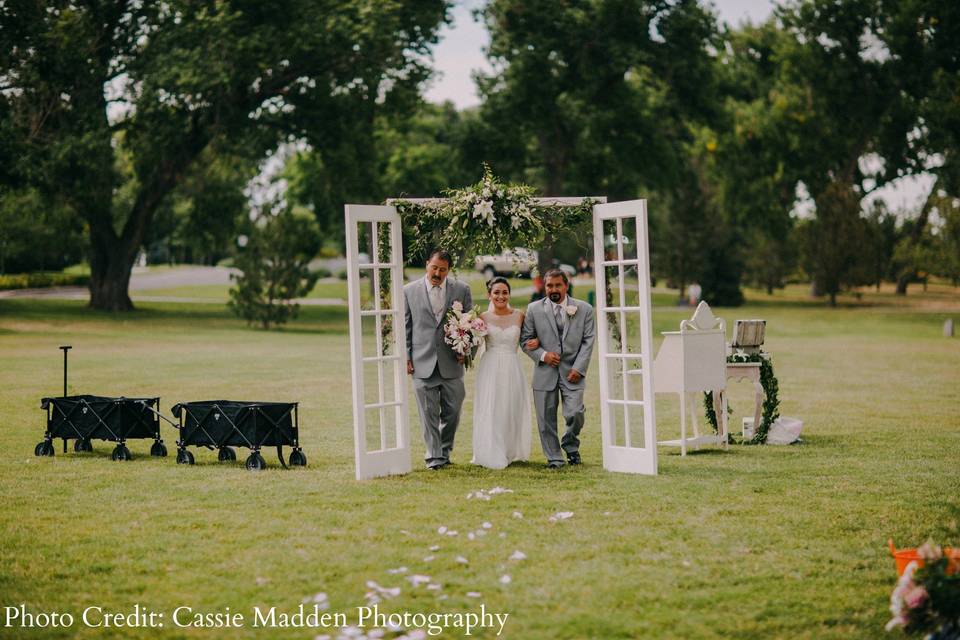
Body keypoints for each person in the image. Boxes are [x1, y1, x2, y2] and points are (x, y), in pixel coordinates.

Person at [404, 249, 473, 469]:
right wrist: (406, 356)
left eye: (442, 270)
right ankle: (434, 457)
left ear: (448, 270)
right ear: (427, 265)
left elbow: (470, 324)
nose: (437, 273)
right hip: (421, 361)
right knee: (428, 414)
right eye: (434, 267)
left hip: (452, 361)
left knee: (452, 412)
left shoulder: (461, 289)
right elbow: (405, 327)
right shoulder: (408, 291)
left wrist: (466, 349)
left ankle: (444, 451)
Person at [520, 269, 596, 468]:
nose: (553, 289)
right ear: (544, 287)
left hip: (573, 373)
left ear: (566, 285)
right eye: (549, 286)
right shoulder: (533, 309)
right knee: (545, 419)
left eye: (557, 285)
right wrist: (544, 355)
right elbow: (525, 341)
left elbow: (588, 341)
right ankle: (554, 458)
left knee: (575, 413)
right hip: (545, 372)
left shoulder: (585, 309)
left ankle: (570, 446)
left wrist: (579, 368)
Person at [471, 277, 532, 469]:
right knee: (491, 406)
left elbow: (528, 338)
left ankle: (509, 449)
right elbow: (473, 343)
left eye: (505, 292)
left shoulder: (520, 315)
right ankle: (491, 450)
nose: (501, 296)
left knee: (510, 406)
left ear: (509, 295)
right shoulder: (482, 318)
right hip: (490, 366)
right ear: (489, 295)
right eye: (496, 292)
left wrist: (534, 342)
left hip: (512, 365)